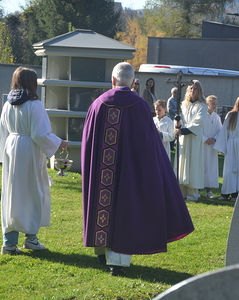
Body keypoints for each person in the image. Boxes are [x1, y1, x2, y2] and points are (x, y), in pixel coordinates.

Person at [81, 62, 194, 276]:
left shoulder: (98, 104)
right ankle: (117, 261)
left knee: (103, 203)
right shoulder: (140, 105)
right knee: (126, 207)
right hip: (129, 170)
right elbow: (148, 142)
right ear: (133, 82)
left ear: (113, 81)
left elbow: (88, 141)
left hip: (104, 171)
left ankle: (100, 251)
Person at [0, 67, 69, 255]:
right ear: (32, 83)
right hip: (29, 150)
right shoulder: (35, 105)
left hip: (12, 148)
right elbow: (40, 134)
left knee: (12, 194)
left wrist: (2, 154)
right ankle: (31, 239)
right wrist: (59, 142)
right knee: (32, 193)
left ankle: (9, 242)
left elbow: (3, 132)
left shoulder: (8, 104)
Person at [174, 80, 207, 202]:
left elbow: (198, 122)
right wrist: (177, 125)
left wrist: (184, 130)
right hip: (183, 139)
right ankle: (181, 193)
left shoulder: (202, 106)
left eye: (195, 89)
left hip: (193, 138)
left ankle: (193, 194)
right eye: (191, 88)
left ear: (199, 91)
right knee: (182, 163)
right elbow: (179, 119)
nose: (192, 91)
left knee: (193, 164)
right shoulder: (184, 105)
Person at [202, 95, 222, 199]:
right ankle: (198, 188)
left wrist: (214, 138)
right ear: (207, 104)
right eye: (213, 104)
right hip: (202, 145)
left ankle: (208, 190)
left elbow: (220, 130)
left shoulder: (217, 117)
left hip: (212, 146)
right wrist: (205, 138)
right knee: (201, 166)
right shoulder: (202, 115)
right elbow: (198, 129)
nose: (215, 106)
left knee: (210, 167)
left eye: (216, 104)